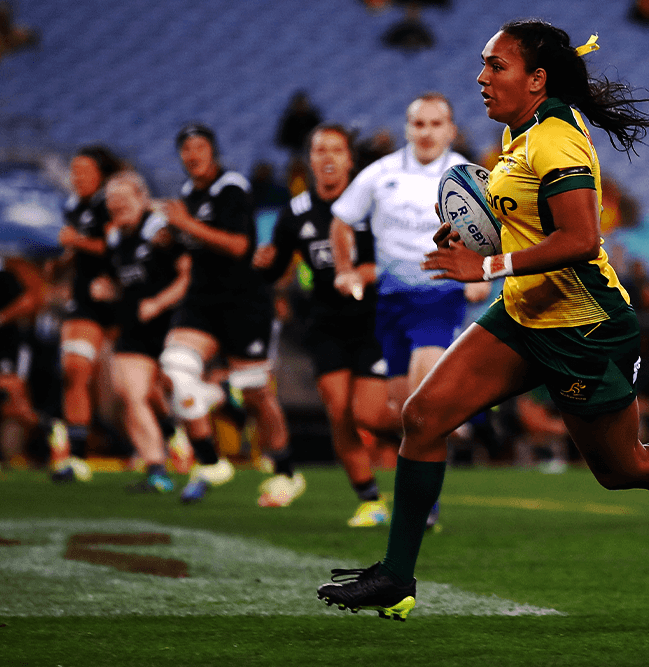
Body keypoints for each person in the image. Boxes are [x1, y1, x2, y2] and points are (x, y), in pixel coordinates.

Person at [317, 19, 649, 621]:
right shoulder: (521, 137)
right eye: (484, 64)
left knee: (625, 469)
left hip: (584, 328)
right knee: (423, 415)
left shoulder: (556, 142)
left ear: (536, 79)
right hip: (525, 312)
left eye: (496, 66)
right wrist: (474, 225)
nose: (481, 77)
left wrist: (487, 261)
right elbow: (526, 214)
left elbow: (580, 238)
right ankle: (397, 576)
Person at [330, 92, 491, 530]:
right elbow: (342, 219)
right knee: (406, 415)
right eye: (419, 124)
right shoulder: (379, 175)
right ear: (407, 128)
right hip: (391, 302)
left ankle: (425, 505)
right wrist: (344, 269)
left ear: (451, 129)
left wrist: (482, 275)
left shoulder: (468, 177)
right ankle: (435, 460)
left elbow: (500, 230)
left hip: (440, 296)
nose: (427, 132)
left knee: (423, 392)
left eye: (436, 124)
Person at [254, 123, 393, 526]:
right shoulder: (295, 212)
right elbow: (276, 267)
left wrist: (358, 275)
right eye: (319, 150)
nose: (328, 157)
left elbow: (384, 262)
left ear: (349, 159)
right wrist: (266, 265)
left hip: (373, 321)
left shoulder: (371, 204)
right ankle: (370, 499)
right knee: (339, 412)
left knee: (370, 414)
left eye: (336, 149)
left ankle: (421, 446)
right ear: (309, 160)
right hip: (325, 324)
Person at [161, 123, 303, 506]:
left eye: (200, 147)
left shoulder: (232, 188)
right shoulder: (189, 193)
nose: (193, 155)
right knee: (175, 367)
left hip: (243, 300)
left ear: (213, 151)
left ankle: (286, 471)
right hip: (202, 301)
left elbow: (240, 245)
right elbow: (194, 243)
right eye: (186, 148)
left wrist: (186, 225)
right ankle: (208, 461)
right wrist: (170, 236)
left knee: (255, 390)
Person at [94, 171, 191, 492]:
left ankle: (187, 438)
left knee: (170, 390)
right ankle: (156, 470)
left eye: (123, 199)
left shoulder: (159, 230)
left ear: (141, 198)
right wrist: (108, 289)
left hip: (173, 324)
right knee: (129, 393)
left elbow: (187, 275)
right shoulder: (114, 239)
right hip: (134, 327)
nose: (116, 206)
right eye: (112, 201)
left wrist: (159, 303)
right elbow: (122, 281)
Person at [51, 145, 123, 482]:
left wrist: (76, 243)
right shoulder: (72, 206)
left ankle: (173, 437)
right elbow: (78, 247)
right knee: (74, 369)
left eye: (84, 171)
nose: (76, 177)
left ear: (101, 174)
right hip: (86, 298)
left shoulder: (112, 200)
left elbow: (116, 245)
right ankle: (78, 456)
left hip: (124, 294)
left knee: (139, 385)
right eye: (74, 171)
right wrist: (62, 261)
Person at [0, 254, 60, 466]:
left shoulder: (8, 276)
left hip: (12, 348)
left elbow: (32, 301)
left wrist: (4, 316)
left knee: (14, 397)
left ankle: (42, 433)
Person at [275, 91, 322, 158]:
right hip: (295, 153)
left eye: (302, 103)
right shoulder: (290, 120)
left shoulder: (313, 119)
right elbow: (282, 139)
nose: (300, 106)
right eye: (298, 104)